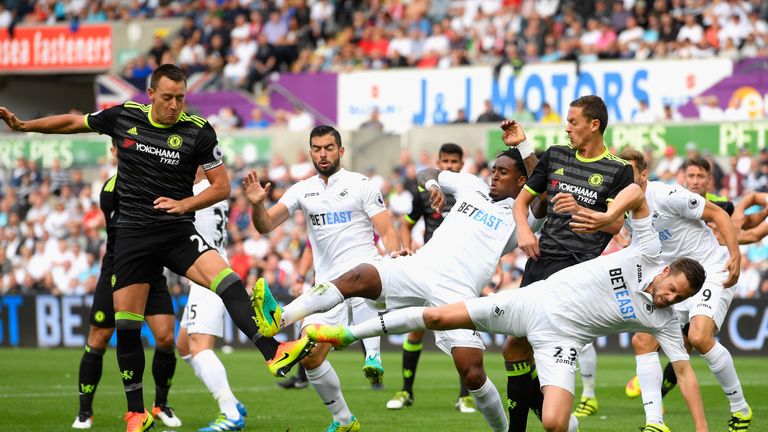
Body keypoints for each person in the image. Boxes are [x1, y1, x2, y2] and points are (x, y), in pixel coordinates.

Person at [0, 64, 309, 432]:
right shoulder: (124, 117)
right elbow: (72, 123)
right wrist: (24, 126)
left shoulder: (199, 131)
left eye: (180, 98)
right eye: (167, 97)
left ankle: (273, 351)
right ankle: (136, 412)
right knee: (127, 328)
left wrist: (184, 205)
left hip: (176, 230)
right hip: (132, 237)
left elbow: (221, 187)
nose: (175, 105)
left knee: (226, 280)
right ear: (150, 95)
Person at [305, 183, 708, 432]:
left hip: (562, 341)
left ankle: (566, 421)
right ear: (667, 270)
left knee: (555, 423)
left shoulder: (665, 321)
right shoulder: (649, 250)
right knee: (436, 315)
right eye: (672, 288)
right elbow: (638, 191)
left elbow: (686, 375)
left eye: (679, 299)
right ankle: (343, 334)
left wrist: (701, 429)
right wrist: (610, 215)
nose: (669, 298)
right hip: (531, 302)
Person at [249, 120, 544, 432]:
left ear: (522, 180)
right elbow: (426, 174)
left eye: (503, 172)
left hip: (458, 290)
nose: (494, 176)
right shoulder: (472, 185)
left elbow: (541, 195)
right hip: (421, 266)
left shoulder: (523, 214)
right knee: (360, 275)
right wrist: (432, 187)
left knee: (471, 373)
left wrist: (524, 146)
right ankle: (280, 318)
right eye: (494, 169)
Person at [243, 124, 401, 432]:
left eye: (329, 148)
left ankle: (372, 357)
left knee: (364, 297)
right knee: (310, 359)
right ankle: (344, 421)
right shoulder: (302, 190)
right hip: (325, 286)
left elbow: (388, 230)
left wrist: (392, 255)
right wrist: (257, 204)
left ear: (341, 151)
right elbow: (265, 225)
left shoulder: (361, 184)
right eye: (317, 149)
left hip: (364, 273)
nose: (322, 154)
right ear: (310, 152)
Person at [508, 95, 633, 429]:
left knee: (541, 350)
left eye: (573, 121)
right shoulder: (556, 155)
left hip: (578, 271)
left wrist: (580, 209)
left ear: (594, 125)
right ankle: (549, 420)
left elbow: (617, 224)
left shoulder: (619, 171)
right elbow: (521, 204)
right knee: (515, 349)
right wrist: (524, 232)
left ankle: (558, 414)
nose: (567, 127)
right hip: (541, 261)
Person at [620, 151, 751, 432]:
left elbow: (717, 212)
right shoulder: (623, 204)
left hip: (710, 269)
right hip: (675, 280)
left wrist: (735, 254)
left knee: (698, 336)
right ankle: (655, 423)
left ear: (644, 175)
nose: (623, 179)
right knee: (642, 341)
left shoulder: (667, 194)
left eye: (629, 172)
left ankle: (740, 409)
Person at [72, 141, 181, 430]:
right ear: (114, 152)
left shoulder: (155, 181)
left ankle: (161, 404)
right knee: (98, 337)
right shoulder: (111, 190)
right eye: (121, 147)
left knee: (166, 338)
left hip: (152, 269)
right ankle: (85, 411)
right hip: (118, 269)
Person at [390, 142, 476, 413]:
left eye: (454, 162)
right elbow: (406, 224)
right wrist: (405, 248)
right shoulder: (425, 193)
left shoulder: (470, 193)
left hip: (461, 270)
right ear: (438, 163)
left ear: (462, 164)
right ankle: (406, 391)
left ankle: (465, 396)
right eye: (445, 162)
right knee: (416, 329)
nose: (449, 166)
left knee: (463, 333)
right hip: (429, 267)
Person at [176, 167, 248, 431]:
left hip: (208, 274)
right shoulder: (214, 191)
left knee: (200, 347)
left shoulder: (194, 193)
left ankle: (229, 412)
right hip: (210, 270)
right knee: (184, 346)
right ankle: (233, 402)